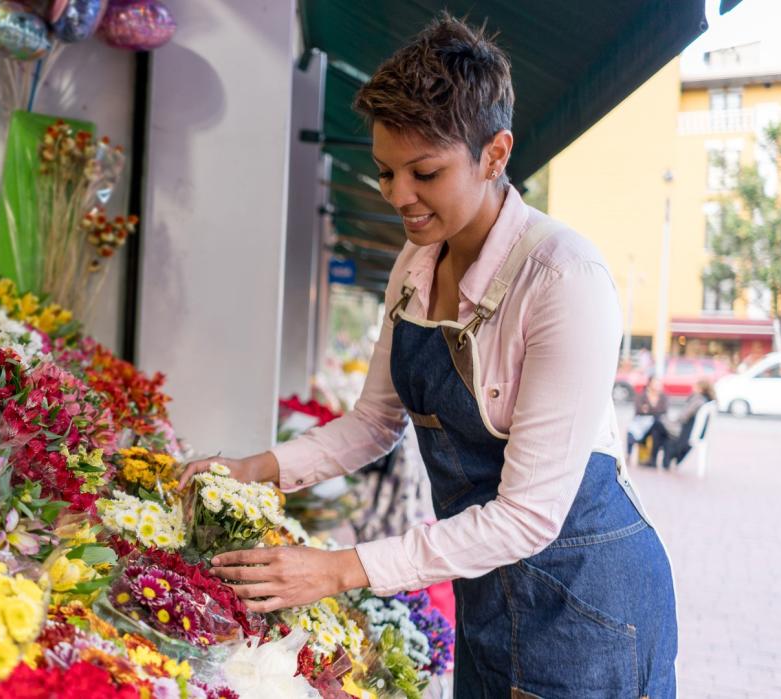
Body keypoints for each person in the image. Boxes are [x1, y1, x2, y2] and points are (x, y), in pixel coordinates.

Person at [178, 15, 677, 698]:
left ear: (496, 154)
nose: (398, 196)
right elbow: (371, 424)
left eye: (425, 172)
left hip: (586, 605)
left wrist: (338, 567)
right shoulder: (416, 263)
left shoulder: (564, 279)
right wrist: (254, 469)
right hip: (484, 592)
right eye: (385, 171)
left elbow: (528, 515)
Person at [664, 379, 716, 467]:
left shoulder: (698, 399)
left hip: (688, 431)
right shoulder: (708, 401)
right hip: (694, 432)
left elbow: (684, 416)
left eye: (695, 386)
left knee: (659, 426)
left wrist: (671, 421)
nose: (693, 388)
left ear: (701, 389)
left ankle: (660, 460)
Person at [628, 377, 669, 467]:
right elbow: (639, 410)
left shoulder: (663, 397)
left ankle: (652, 459)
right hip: (641, 421)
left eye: (659, 384)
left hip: (656, 422)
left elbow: (664, 410)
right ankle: (628, 455)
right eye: (656, 384)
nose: (658, 386)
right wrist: (651, 410)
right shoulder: (641, 395)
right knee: (631, 430)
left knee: (656, 430)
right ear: (650, 384)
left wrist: (647, 409)